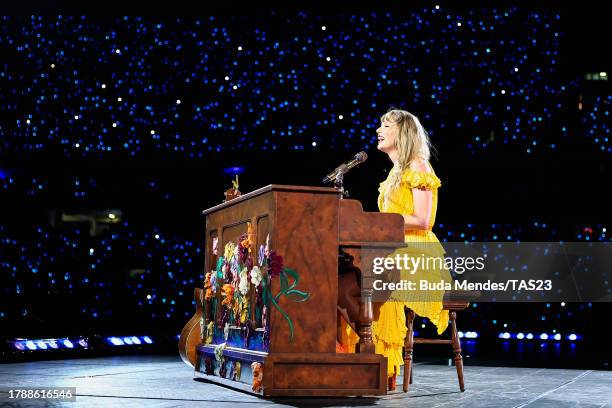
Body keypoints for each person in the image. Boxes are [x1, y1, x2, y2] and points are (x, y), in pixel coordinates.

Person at [338, 108, 451, 390]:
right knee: (340, 287)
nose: (379, 129)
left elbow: (424, 220)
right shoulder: (395, 172)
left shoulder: (418, 166)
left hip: (416, 252)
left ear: (401, 133)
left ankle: (382, 367)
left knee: (380, 291)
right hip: (392, 249)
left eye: (385, 125)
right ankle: (362, 356)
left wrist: (380, 222)